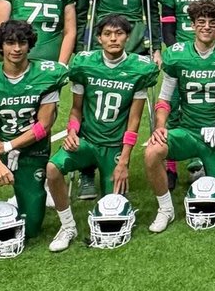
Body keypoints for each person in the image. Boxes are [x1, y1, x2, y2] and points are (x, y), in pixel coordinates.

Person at [0, 20, 68, 270]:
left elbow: (43, 126)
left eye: (22, 42)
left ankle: (19, 198)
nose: (16, 48)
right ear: (1, 46)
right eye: (10, 42)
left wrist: (8, 146)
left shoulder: (46, 74)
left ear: (30, 45)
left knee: (32, 229)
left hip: (32, 154)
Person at [45, 15, 159, 251]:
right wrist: (72, 132)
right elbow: (76, 110)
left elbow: (134, 120)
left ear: (127, 37)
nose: (113, 38)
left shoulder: (138, 69)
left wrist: (124, 161)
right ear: (98, 38)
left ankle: (111, 178)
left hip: (115, 147)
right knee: (52, 168)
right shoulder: (85, 64)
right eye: (107, 34)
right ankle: (67, 226)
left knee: (114, 209)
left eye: (119, 34)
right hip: (86, 143)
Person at [74, 0, 161, 199]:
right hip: (102, 38)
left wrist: (157, 46)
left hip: (135, 37)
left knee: (131, 103)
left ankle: (127, 158)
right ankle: (86, 170)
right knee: (90, 102)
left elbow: (154, 9)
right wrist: (79, 48)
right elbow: (83, 7)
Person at [145, 0, 215, 236]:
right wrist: (160, 127)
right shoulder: (178, 55)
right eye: (201, 22)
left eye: (212, 22)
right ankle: (166, 209)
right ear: (192, 25)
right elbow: (164, 100)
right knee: (151, 152)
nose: (207, 27)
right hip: (188, 131)